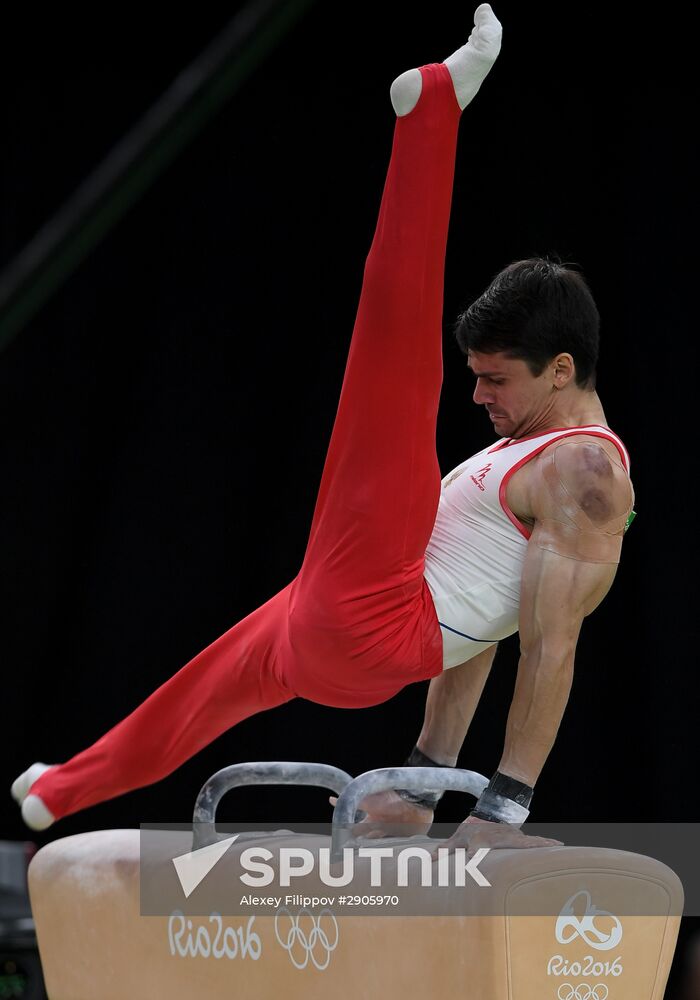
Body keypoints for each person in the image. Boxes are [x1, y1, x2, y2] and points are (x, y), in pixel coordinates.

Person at [11, 5, 634, 854]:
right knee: (194, 698)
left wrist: (503, 807)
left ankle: (433, 113)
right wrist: (421, 780)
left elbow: (546, 649)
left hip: (376, 621)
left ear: (562, 369)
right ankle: (61, 788)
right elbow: (484, 629)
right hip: (334, 629)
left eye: (497, 378)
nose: (479, 395)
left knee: (390, 367)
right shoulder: (518, 450)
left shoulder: (587, 476)